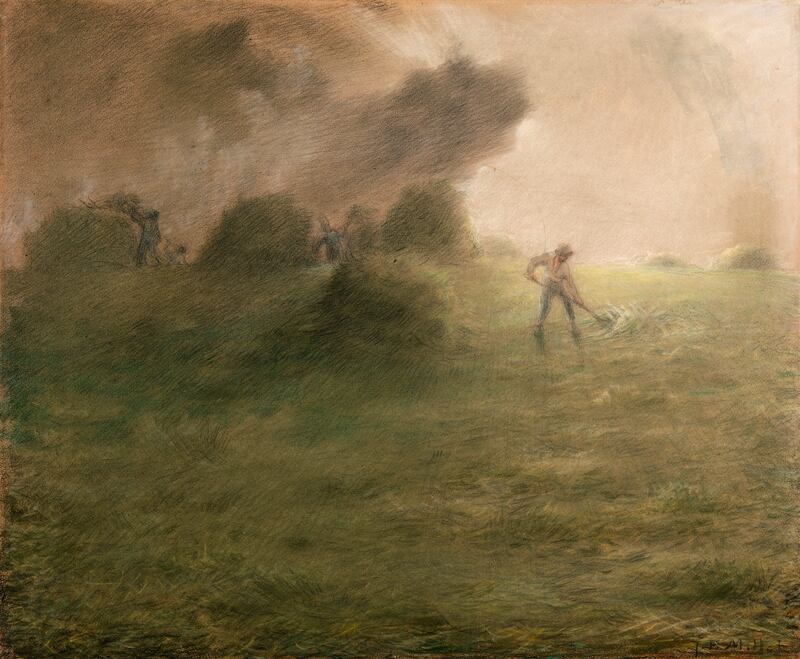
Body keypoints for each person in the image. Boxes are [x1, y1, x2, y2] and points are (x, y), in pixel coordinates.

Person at [526, 243, 583, 342]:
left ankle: (573, 324)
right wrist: (530, 273)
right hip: (547, 285)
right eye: (562, 256)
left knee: (568, 302)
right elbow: (533, 261)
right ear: (558, 254)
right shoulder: (548, 257)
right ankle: (538, 326)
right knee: (544, 306)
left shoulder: (565, 268)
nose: (564, 258)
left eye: (566, 256)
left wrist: (577, 298)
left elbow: (571, 284)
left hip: (559, 286)